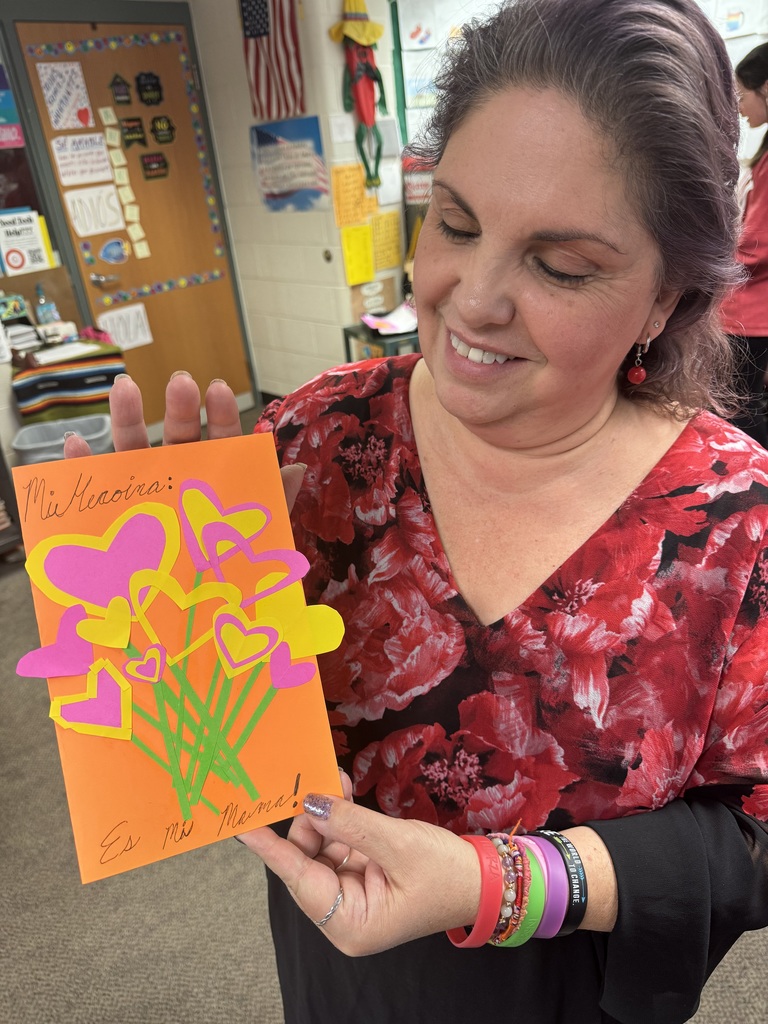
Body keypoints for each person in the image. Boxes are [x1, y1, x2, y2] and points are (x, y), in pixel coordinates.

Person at [66, 1, 768, 1021]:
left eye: (560, 266)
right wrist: (144, 635)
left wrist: (498, 882)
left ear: (666, 299)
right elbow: (215, 749)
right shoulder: (315, 447)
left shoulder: (732, 518)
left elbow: (753, 834)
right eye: (456, 220)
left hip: (574, 993)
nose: (471, 296)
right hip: (340, 977)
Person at [721, 41, 768, 446]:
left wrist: (711, 267)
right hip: (747, 310)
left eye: (741, 95)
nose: (738, 107)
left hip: (750, 315)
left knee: (741, 414)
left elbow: (758, 243)